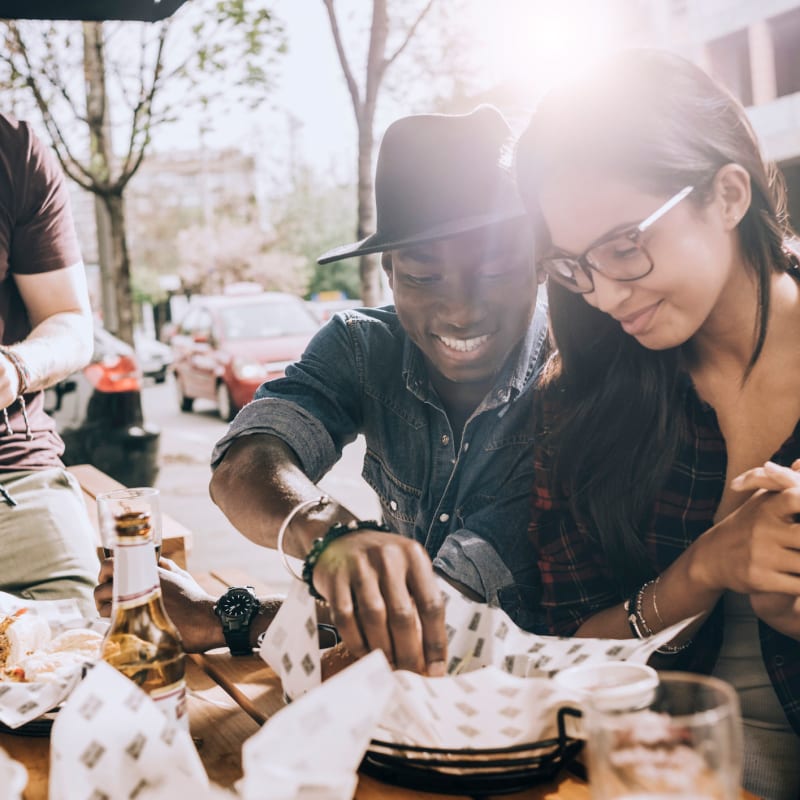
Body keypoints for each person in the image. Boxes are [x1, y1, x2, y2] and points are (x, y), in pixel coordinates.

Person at [515, 49, 800, 799]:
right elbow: (564, 656)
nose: (604, 295)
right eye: (574, 265)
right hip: (649, 776)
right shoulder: (584, 399)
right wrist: (700, 572)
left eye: (623, 246)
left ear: (728, 194)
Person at [207, 106, 548, 676]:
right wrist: (327, 536)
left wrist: (229, 619)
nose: (461, 310)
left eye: (493, 271)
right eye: (422, 277)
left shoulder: (575, 384)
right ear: (388, 272)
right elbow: (244, 465)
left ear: (541, 265)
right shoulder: (361, 348)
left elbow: (430, 612)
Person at [0, 113, 98, 616]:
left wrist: (16, 366)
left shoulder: (12, 149)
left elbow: (72, 323)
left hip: (11, 477)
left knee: (75, 651)